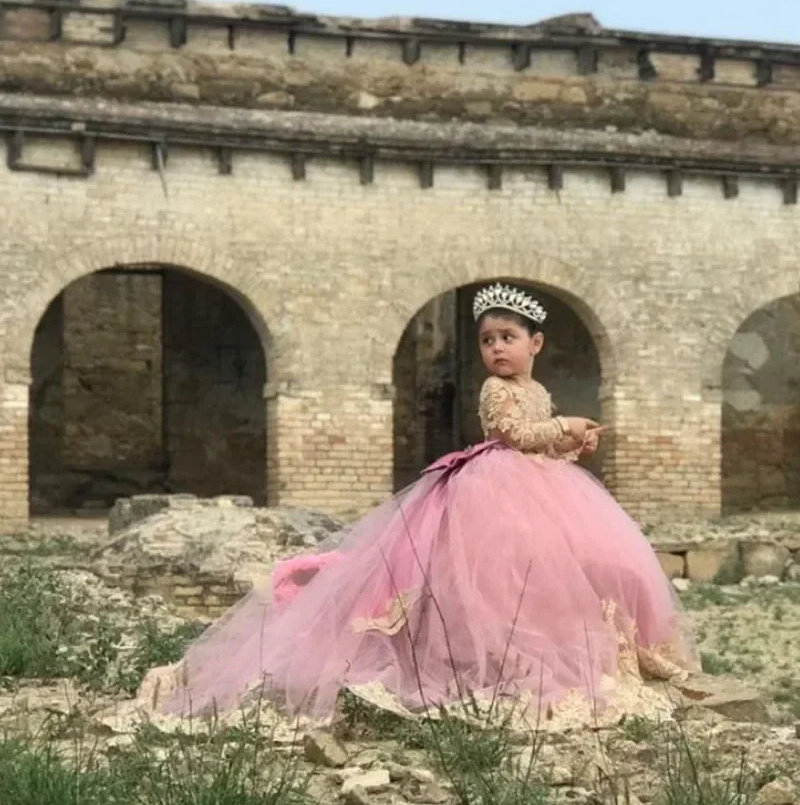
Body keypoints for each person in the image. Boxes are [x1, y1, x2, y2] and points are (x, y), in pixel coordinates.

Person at [139, 283, 699, 731]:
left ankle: (572, 651)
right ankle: (489, 659)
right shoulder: (494, 390)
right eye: (487, 340)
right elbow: (513, 434)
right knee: (501, 574)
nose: (497, 349)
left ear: (536, 344)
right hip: (497, 486)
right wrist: (561, 426)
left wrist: (573, 442)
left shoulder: (536, 388)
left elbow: (542, 438)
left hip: (542, 483)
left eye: (508, 337)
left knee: (571, 567)